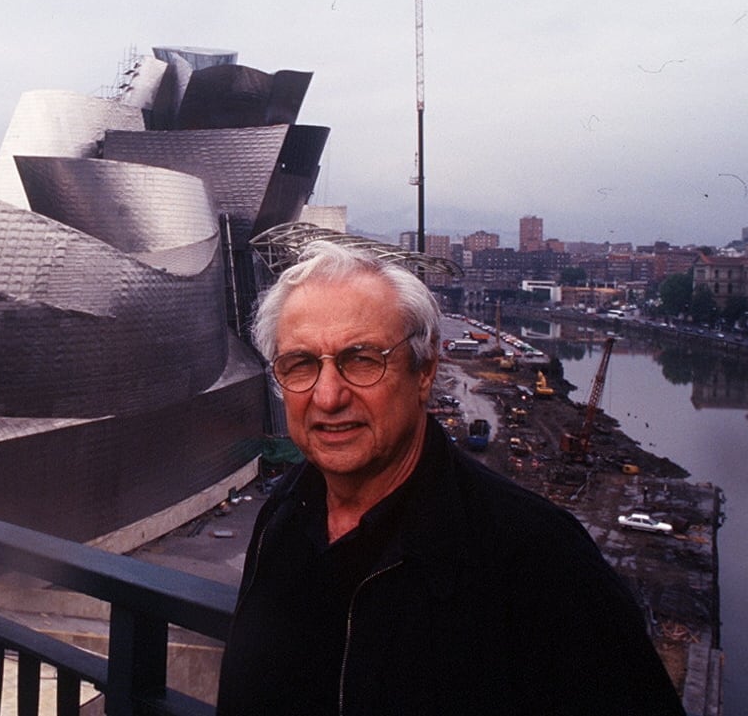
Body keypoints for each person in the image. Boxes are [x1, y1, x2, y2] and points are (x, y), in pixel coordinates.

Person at [216, 241, 683, 715]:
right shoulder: (281, 516)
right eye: (301, 365)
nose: (329, 396)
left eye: (362, 360)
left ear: (425, 372)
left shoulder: (541, 562)